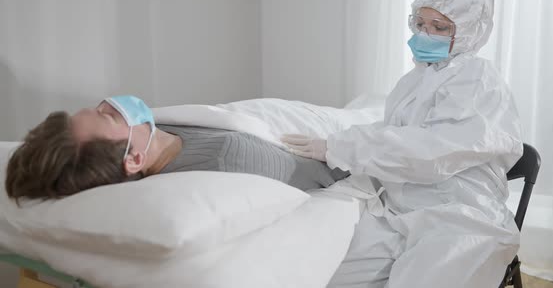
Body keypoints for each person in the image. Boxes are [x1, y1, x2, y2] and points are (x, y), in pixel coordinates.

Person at [281, 0, 523, 287]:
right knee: (324, 269)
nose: (424, 34)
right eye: (420, 23)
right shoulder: (415, 80)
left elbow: (433, 152)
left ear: (469, 31)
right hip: (398, 209)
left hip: (460, 216)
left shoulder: (478, 79)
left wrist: (341, 147)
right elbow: (392, 132)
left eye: (439, 27)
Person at [5, 96, 347, 201]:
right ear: (134, 159)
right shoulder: (227, 160)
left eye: (97, 108)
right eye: (109, 116)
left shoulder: (151, 136)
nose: (111, 102)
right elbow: (322, 175)